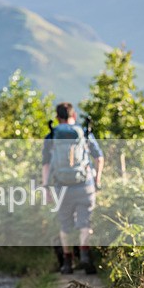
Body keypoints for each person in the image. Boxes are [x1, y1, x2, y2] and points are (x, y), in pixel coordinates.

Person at [41, 102, 104, 274]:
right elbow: (99, 158)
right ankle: (84, 254)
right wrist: (97, 179)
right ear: (73, 116)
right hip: (85, 186)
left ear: (57, 117)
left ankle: (67, 263)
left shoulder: (52, 136)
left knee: (65, 225)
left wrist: (46, 187)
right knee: (85, 222)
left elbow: (46, 165)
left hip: (62, 188)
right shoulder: (84, 134)